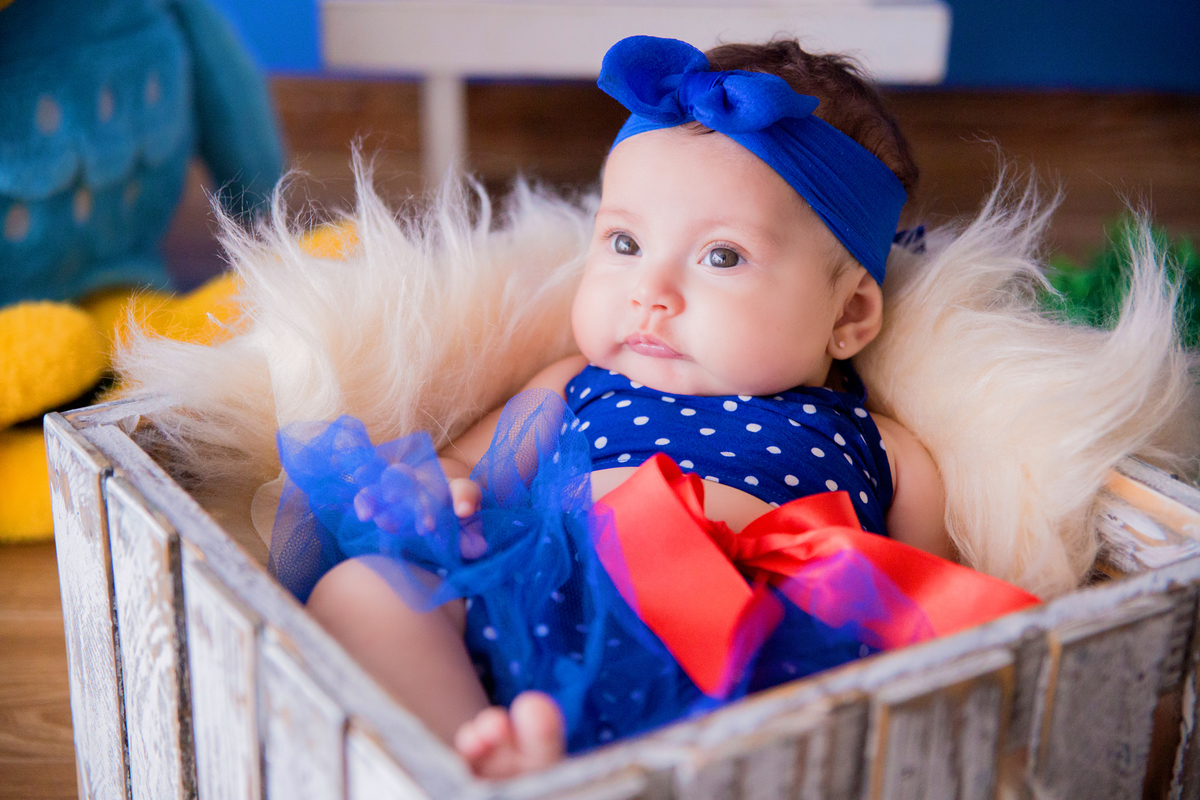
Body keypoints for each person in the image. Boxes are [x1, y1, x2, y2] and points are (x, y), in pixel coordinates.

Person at [271, 35, 1035, 778]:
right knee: (366, 590)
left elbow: (926, 601)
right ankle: (475, 760)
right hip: (542, 596)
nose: (651, 292)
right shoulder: (578, 381)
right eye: (625, 243)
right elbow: (469, 462)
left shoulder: (884, 447)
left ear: (848, 317)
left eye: (722, 257)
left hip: (755, 657)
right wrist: (438, 488)